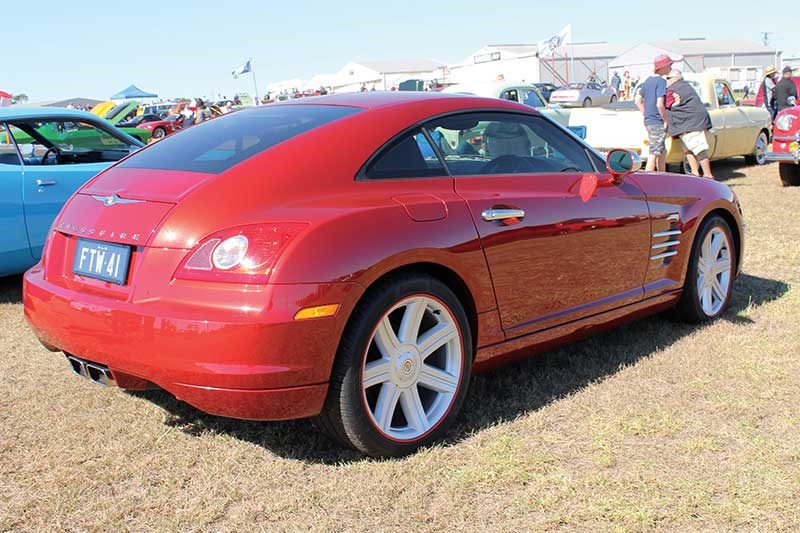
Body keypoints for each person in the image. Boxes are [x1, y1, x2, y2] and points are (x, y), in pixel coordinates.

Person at [665, 69, 714, 179]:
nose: (666, 81)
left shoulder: (674, 90)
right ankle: (694, 173)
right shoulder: (685, 86)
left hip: (691, 123)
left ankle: (708, 175)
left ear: (675, 78)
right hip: (689, 122)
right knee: (687, 149)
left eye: (668, 78)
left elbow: (662, 104)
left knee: (699, 149)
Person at [636, 54, 672, 172]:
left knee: (661, 151)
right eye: (669, 66)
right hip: (657, 121)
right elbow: (659, 104)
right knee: (654, 153)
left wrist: (646, 114)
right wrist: (665, 120)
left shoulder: (648, 81)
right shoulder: (661, 82)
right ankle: (648, 180)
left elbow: (638, 100)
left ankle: (662, 176)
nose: (670, 68)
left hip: (649, 121)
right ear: (662, 68)